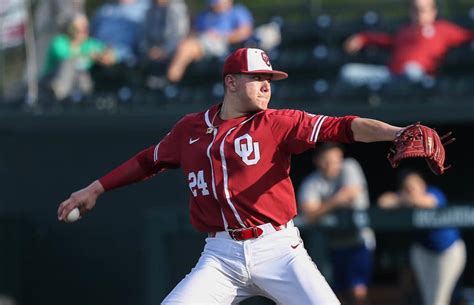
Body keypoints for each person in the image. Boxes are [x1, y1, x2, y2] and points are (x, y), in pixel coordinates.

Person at [58, 47, 411, 304]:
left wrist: (397, 133)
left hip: (279, 249)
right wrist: (96, 188)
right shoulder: (191, 128)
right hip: (221, 254)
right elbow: (147, 160)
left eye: (269, 79)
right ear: (230, 82)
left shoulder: (277, 123)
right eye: (256, 78)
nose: (265, 85)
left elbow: (343, 127)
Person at [297, 143, 374, 305]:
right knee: (331, 294)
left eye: (336, 159)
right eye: (326, 160)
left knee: (358, 292)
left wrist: (323, 207)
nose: (332, 164)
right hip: (331, 244)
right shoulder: (312, 182)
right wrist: (336, 201)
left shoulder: (349, 166)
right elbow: (308, 215)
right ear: (317, 161)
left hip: (358, 241)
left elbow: (350, 195)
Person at [378, 169, 466, 305]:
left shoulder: (433, 192)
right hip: (424, 251)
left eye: (414, 185)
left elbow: (429, 202)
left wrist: (406, 200)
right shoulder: (404, 197)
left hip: (448, 251)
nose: (411, 189)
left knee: (438, 299)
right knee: (429, 299)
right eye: (408, 187)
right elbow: (383, 202)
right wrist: (403, 198)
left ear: (423, 185)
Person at [341, 0, 474, 87]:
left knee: (411, 70)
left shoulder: (443, 29)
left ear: (433, 11)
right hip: (390, 75)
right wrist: (363, 38)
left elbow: (468, 36)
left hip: (420, 76)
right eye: (414, 9)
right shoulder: (404, 30)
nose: (418, 14)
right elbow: (384, 40)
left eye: (422, 9)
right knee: (348, 72)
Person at [166, 0, 253, 83]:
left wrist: (221, 36)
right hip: (200, 44)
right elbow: (194, 32)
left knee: (189, 46)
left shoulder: (237, 11)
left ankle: (173, 76)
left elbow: (244, 32)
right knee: (186, 45)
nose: (216, 6)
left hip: (222, 45)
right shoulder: (205, 15)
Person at [41, 13, 115, 101]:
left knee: (82, 75)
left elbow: (111, 56)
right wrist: (90, 55)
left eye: (85, 28)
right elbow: (67, 57)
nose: (82, 31)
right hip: (53, 79)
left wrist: (104, 56)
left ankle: (84, 98)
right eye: (78, 28)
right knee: (69, 65)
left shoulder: (89, 44)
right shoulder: (59, 41)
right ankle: (60, 95)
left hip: (78, 81)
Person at [90, 0, 149, 65]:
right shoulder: (105, 9)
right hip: (97, 58)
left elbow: (146, 45)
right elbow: (93, 35)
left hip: (129, 64)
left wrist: (118, 54)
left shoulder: (147, 8)